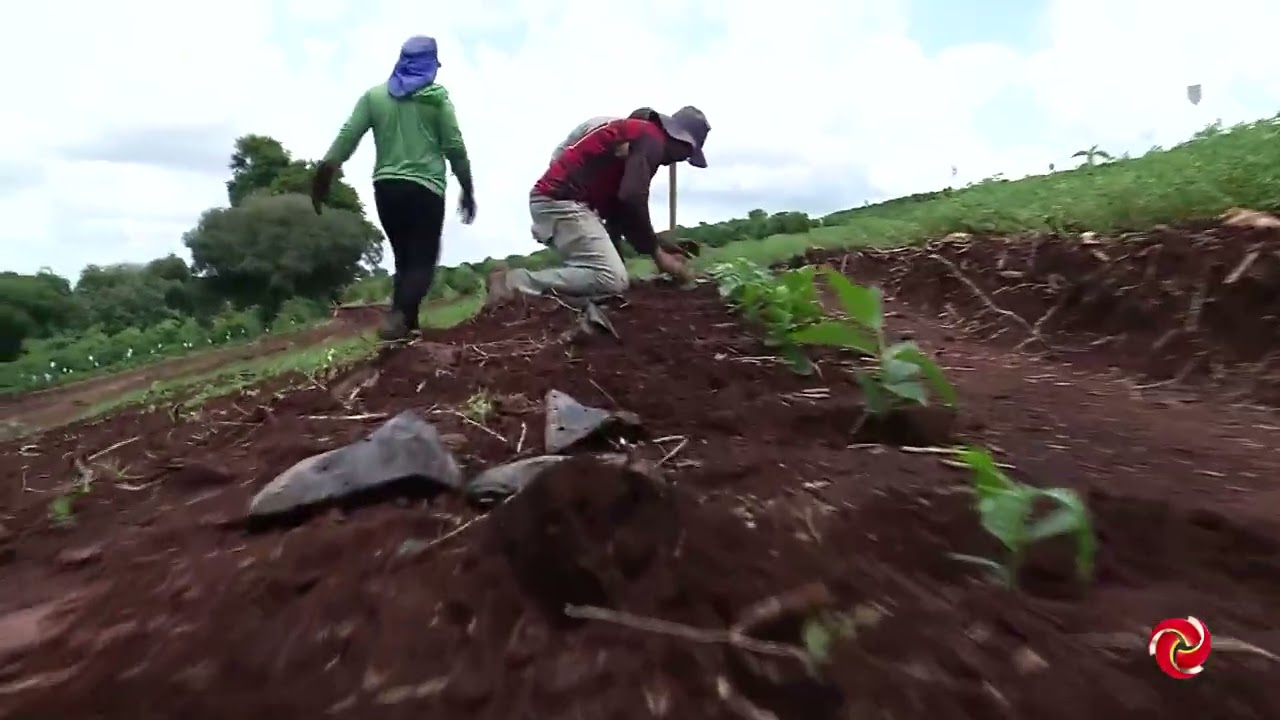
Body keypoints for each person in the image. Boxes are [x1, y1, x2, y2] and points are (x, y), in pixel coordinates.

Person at [312, 35, 477, 342]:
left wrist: (323, 175)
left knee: (404, 258)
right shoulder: (437, 99)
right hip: (425, 189)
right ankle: (398, 315)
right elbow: (454, 146)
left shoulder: (375, 97)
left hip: (386, 189)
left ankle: (407, 327)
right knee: (423, 259)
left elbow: (348, 136)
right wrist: (467, 188)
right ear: (430, 66)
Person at [485, 106, 709, 307]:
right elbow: (632, 198)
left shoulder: (641, 137)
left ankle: (539, 291)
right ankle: (514, 283)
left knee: (611, 277)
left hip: (563, 201)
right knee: (611, 278)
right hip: (560, 201)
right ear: (682, 141)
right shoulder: (651, 138)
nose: (680, 160)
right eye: (687, 154)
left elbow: (620, 212)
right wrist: (658, 255)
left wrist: (659, 245)